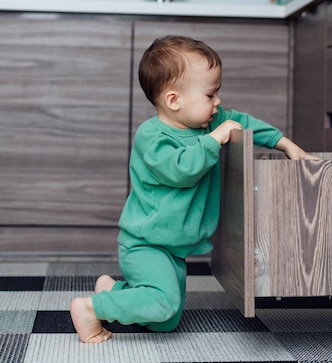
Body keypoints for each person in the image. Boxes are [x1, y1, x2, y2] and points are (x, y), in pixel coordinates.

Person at [70, 34, 317, 343]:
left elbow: (248, 123)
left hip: (174, 247)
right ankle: (91, 309)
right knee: (165, 302)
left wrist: (287, 145)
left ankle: (114, 291)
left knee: (165, 321)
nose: (219, 103)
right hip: (145, 244)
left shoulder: (208, 123)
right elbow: (181, 170)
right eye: (211, 95)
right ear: (174, 100)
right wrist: (216, 139)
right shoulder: (152, 137)